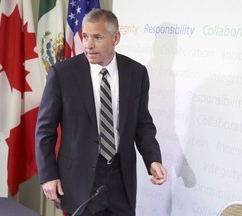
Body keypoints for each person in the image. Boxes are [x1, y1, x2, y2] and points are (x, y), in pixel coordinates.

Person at [35, 9, 167, 216]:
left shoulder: (136, 73)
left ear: (115, 38)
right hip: (79, 179)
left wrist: (153, 160)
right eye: (85, 36)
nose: (88, 44)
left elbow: (142, 125)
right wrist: (48, 175)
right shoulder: (63, 74)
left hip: (121, 178)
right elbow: (45, 130)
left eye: (97, 37)